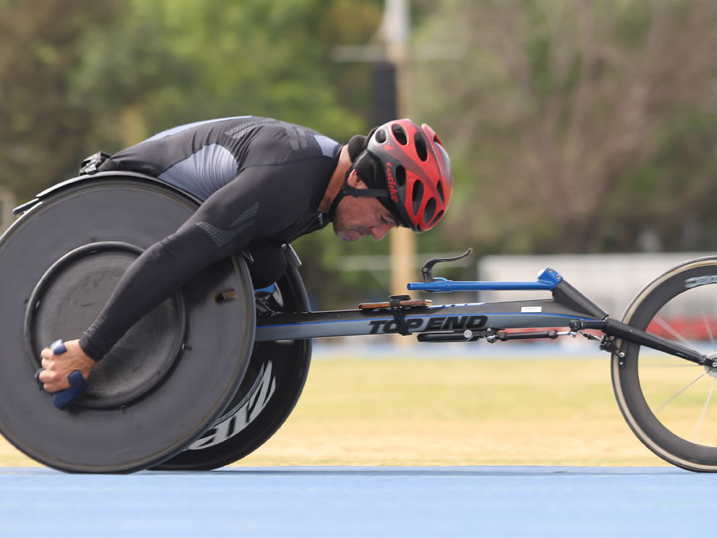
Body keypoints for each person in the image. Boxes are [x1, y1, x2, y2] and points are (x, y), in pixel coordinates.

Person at [37, 116, 453, 394]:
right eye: (383, 217)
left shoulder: (322, 193)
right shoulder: (286, 182)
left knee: (270, 266)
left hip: (164, 223)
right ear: (359, 178)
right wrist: (88, 349)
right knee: (224, 259)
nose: (379, 234)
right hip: (116, 206)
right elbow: (175, 255)